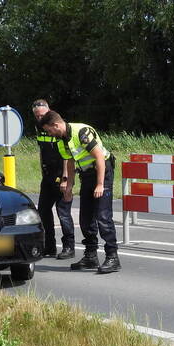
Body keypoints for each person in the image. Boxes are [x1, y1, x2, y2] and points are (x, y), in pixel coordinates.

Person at [39, 111, 120, 274]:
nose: (49, 134)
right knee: (85, 218)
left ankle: (112, 257)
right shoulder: (61, 140)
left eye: (49, 130)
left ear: (56, 125)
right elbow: (69, 162)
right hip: (86, 175)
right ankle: (91, 256)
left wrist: (100, 184)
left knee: (103, 217)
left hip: (102, 171)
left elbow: (99, 157)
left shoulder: (81, 132)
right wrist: (69, 187)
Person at [32, 99, 75, 259]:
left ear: (49, 111)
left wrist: (65, 178)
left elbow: (67, 156)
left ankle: (68, 247)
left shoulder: (57, 126)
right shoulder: (39, 127)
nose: (39, 118)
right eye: (36, 116)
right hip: (47, 176)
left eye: (42, 115)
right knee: (43, 210)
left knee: (63, 212)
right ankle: (49, 246)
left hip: (62, 174)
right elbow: (42, 151)